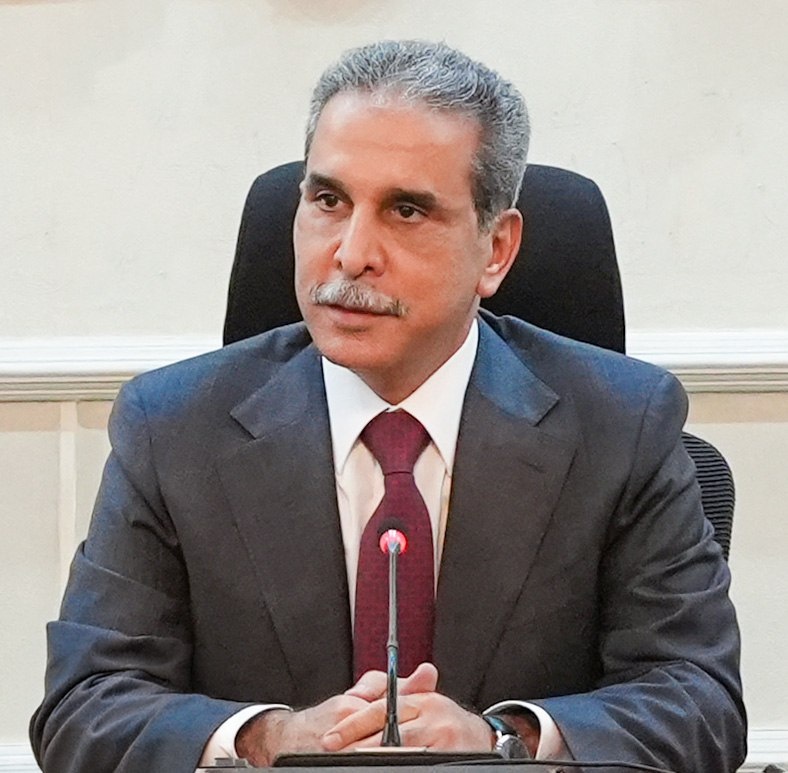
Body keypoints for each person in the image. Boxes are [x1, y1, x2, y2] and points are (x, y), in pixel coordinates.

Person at [30, 40, 746, 773]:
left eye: (406, 210)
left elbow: (697, 702)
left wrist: (503, 742)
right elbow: (87, 707)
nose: (350, 254)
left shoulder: (622, 424)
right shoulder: (173, 427)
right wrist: (266, 738)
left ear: (496, 249)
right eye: (328, 201)